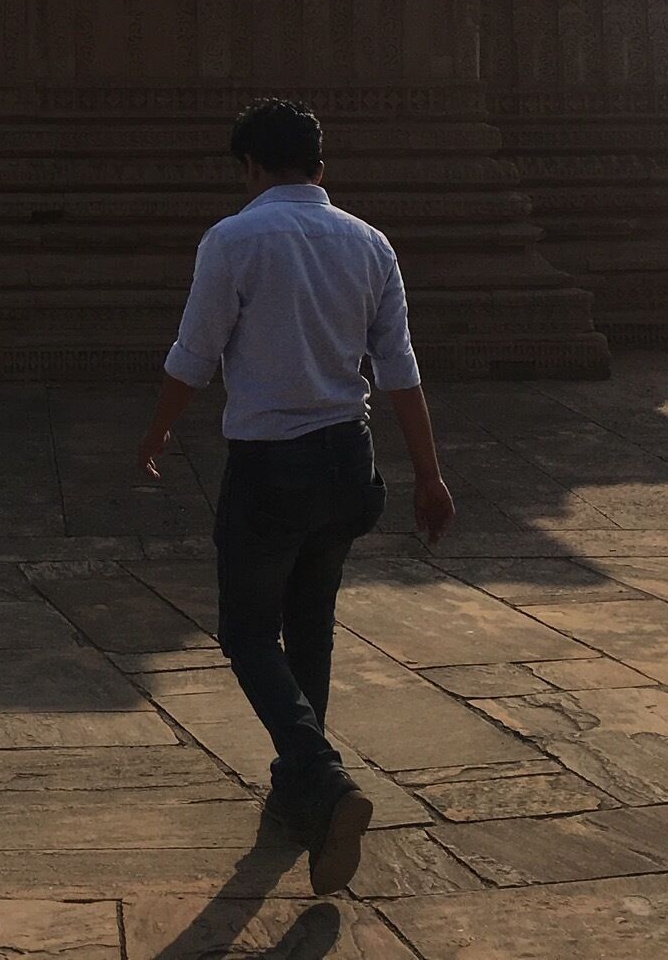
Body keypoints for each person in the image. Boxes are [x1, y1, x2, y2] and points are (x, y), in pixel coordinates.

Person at [134, 98, 456, 896]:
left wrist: (158, 433)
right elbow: (401, 370)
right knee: (310, 624)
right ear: (320, 166)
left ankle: (318, 773)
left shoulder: (235, 238)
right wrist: (430, 473)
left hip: (270, 463)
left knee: (247, 631)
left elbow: (194, 355)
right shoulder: (370, 243)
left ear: (250, 167)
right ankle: (299, 795)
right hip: (351, 459)